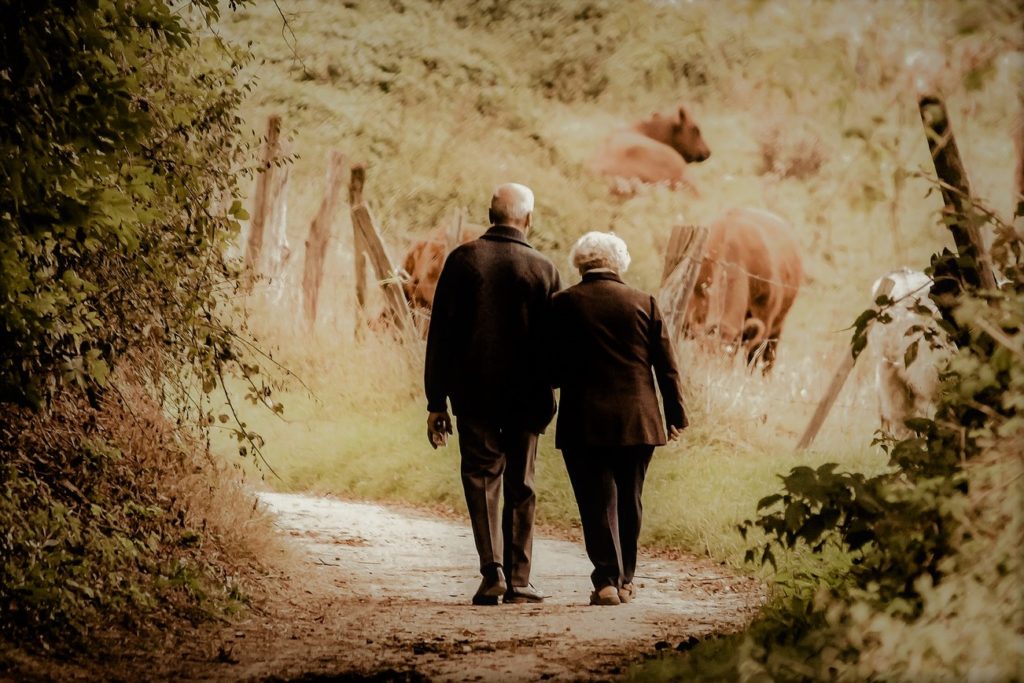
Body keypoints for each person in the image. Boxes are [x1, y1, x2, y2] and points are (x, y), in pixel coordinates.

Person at [424, 183, 562, 606]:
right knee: (522, 482)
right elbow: (555, 342)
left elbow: (440, 336)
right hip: (527, 397)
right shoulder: (543, 268)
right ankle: (520, 580)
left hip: (474, 394)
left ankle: (493, 572)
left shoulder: (463, 261)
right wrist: (551, 387)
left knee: (482, 479)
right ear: (529, 219)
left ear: (489, 214)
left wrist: (436, 402)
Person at [550, 231, 687, 606]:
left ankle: (606, 581)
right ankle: (626, 579)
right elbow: (667, 367)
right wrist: (675, 415)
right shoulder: (644, 302)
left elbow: (551, 366)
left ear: (580, 263)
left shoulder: (562, 304)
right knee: (630, 498)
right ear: (619, 262)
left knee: (595, 501)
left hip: (583, 419)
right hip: (639, 419)